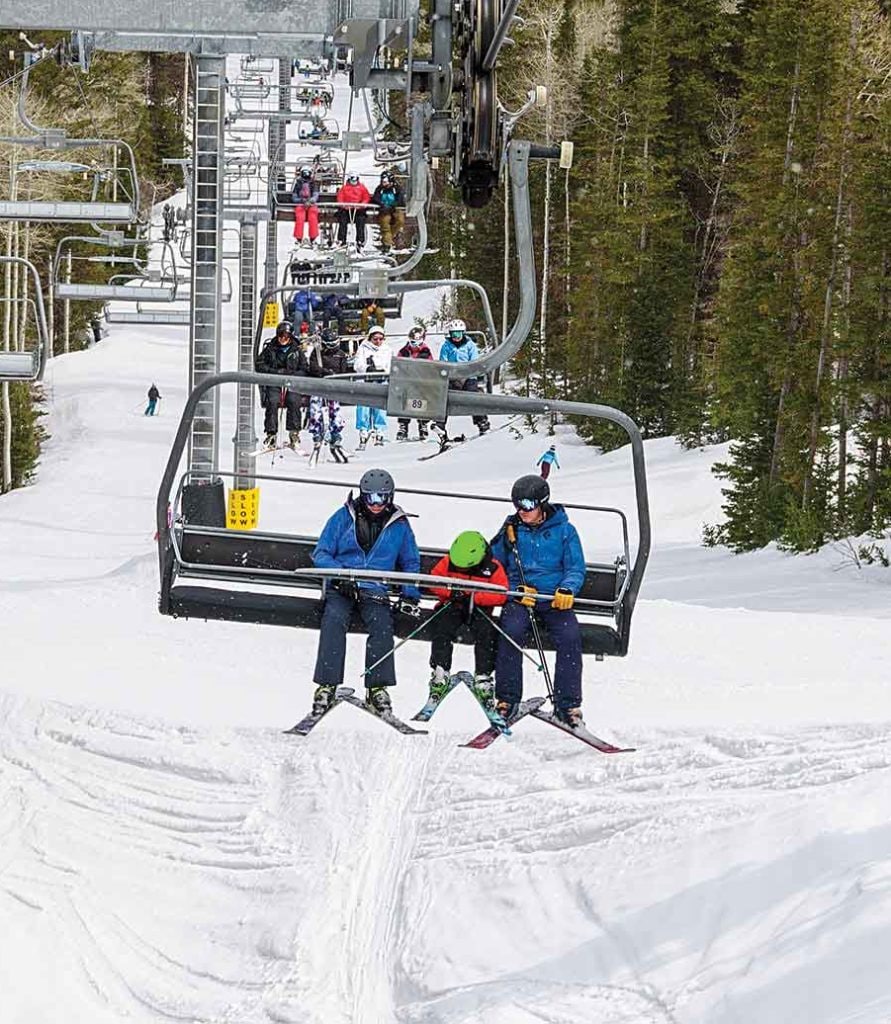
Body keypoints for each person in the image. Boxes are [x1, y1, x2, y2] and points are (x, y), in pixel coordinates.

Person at [311, 468, 421, 715]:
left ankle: (377, 686)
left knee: (382, 626)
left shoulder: (399, 525)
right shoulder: (343, 517)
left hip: (374, 589)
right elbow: (321, 553)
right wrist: (340, 574)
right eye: (370, 497)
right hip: (342, 587)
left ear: (390, 497)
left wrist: (409, 594)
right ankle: (327, 684)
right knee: (334, 620)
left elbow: (410, 562)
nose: (375, 504)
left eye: (381, 498)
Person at [490, 475, 587, 728]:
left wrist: (567, 588)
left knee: (570, 636)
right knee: (510, 631)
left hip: (553, 599)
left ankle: (568, 705)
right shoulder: (511, 530)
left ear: (542, 504)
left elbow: (575, 567)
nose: (522, 511)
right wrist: (514, 591)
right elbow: (494, 567)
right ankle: (507, 700)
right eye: (517, 505)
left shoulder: (565, 531)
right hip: (522, 598)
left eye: (527, 505)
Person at [425, 530, 508, 703]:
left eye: (464, 566)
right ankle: (441, 670)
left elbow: (501, 594)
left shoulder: (493, 567)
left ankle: (483, 675)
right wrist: (450, 591)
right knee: (442, 626)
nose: (460, 568)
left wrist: (474, 596)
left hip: (479, 609)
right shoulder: (448, 561)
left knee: (486, 632)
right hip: (452, 604)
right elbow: (433, 581)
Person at [256, 320, 310, 448]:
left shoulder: (296, 351)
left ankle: (294, 433)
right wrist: (275, 372)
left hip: (291, 383)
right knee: (272, 401)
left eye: (286, 337)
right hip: (275, 382)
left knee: (293, 400)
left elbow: (304, 368)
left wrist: (293, 375)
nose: (283, 340)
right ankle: (271, 434)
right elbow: (260, 365)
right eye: (281, 336)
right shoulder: (270, 349)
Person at [434, 319, 490, 437]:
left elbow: (474, 361)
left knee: (473, 396)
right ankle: (440, 424)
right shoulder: (446, 346)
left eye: (459, 333)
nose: (456, 337)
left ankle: (482, 422)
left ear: (463, 333)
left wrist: (468, 372)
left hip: (468, 377)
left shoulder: (470, 345)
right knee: (443, 396)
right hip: (453, 377)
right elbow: (443, 362)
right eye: (454, 334)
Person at [306, 328, 348, 456]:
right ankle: (316, 431)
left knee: (334, 406)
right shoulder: (317, 353)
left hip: (334, 385)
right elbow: (312, 367)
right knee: (315, 404)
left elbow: (343, 371)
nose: (333, 347)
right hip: (319, 383)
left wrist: (335, 376)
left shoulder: (340, 354)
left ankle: (335, 432)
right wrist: (324, 372)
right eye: (330, 344)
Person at [353, 326, 390, 448]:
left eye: (380, 339)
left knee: (380, 405)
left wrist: (383, 371)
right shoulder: (363, 348)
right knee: (364, 405)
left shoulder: (387, 349)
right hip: (366, 380)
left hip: (381, 379)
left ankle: (379, 429)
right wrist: (368, 369)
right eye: (375, 339)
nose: (378, 342)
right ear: (370, 338)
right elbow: (357, 365)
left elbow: (391, 365)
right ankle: (364, 429)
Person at [395, 326, 433, 441]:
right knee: (404, 400)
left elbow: (431, 366)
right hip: (407, 381)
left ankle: (423, 424)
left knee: (421, 400)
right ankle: (403, 426)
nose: (414, 344)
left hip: (421, 381)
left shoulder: (426, 351)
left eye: (417, 341)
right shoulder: (403, 351)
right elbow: (398, 364)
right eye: (412, 341)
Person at [371, 171, 406, 252]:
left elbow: (400, 199)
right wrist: (382, 204)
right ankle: (387, 244)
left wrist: (394, 205)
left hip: (395, 208)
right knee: (385, 223)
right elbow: (376, 198)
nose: (384, 183)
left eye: (385, 182)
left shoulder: (396, 188)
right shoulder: (380, 189)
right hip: (384, 209)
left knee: (400, 220)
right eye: (383, 182)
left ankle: (388, 238)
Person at [335, 173, 371, 251]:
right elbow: (340, 198)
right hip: (346, 209)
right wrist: (343, 205)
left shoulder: (362, 188)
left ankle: (360, 240)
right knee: (342, 220)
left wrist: (362, 205)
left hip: (358, 209)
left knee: (360, 221)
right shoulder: (344, 188)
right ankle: (342, 239)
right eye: (352, 180)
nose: (353, 182)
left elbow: (366, 197)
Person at [292, 166, 321, 245]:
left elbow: (315, 195)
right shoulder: (298, 184)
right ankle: (298, 238)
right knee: (300, 217)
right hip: (301, 203)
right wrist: (302, 200)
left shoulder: (313, 183)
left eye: (307, 173)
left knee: (313, 217)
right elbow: (294, 196)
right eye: (304, 173)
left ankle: (313, 237)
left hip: (311, 204)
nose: (306, 175)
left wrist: (311, 201)